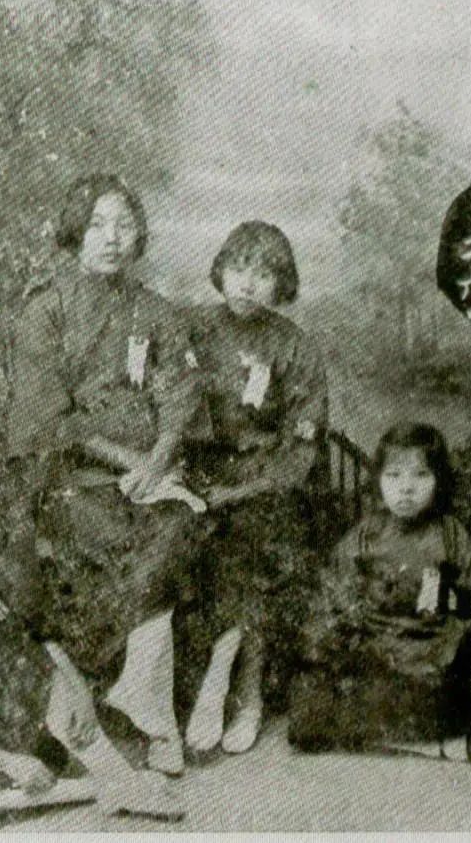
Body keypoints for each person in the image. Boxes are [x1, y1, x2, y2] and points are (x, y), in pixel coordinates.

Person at [4, 174, 203, 776]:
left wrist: (158, 459)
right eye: (96, 225)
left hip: (152, 472)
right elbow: (47, 419)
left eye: (123, 225)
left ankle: (137, 699)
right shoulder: (46, 309)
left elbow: (181, 394)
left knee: (179, 522)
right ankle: (151, 720)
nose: (111, 238)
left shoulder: (156, 311)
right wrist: (129, 463)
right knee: (119, 536)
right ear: (75, 234)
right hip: (71, 477)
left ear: (139, 234)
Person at [0, 483, 182, 819]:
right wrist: (8, 762)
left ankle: (117, 779)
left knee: (17, 655)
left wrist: (79, 691)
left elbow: (36, 632)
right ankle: (107, 786)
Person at [175, 220, 328, 756]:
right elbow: (165, 407)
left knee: (256, 536)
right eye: (239, 268)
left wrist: (245, 489)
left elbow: (303, 444)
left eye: (264, 274)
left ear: (281, 283)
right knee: (190, 535)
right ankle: (232, 686)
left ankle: (234, 684)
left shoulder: (295, 345)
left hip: (266, 483)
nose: (247, 283)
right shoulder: (192, 330)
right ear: (221, 271)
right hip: (197, 473)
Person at [286, 423, 471, 755]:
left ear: (439, 480)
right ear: (378, 480)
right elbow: (336, 596)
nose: (406, 488)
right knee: (314, 702)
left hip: (428, 650)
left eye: (421, 475)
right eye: (393, 476)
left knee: (453, 695)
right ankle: (400, 735)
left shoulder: (451, 536)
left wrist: (445, 643)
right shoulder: (366, 535)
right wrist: (346, 636)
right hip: (374, 647)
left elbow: (468, 603)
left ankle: (401, 734)